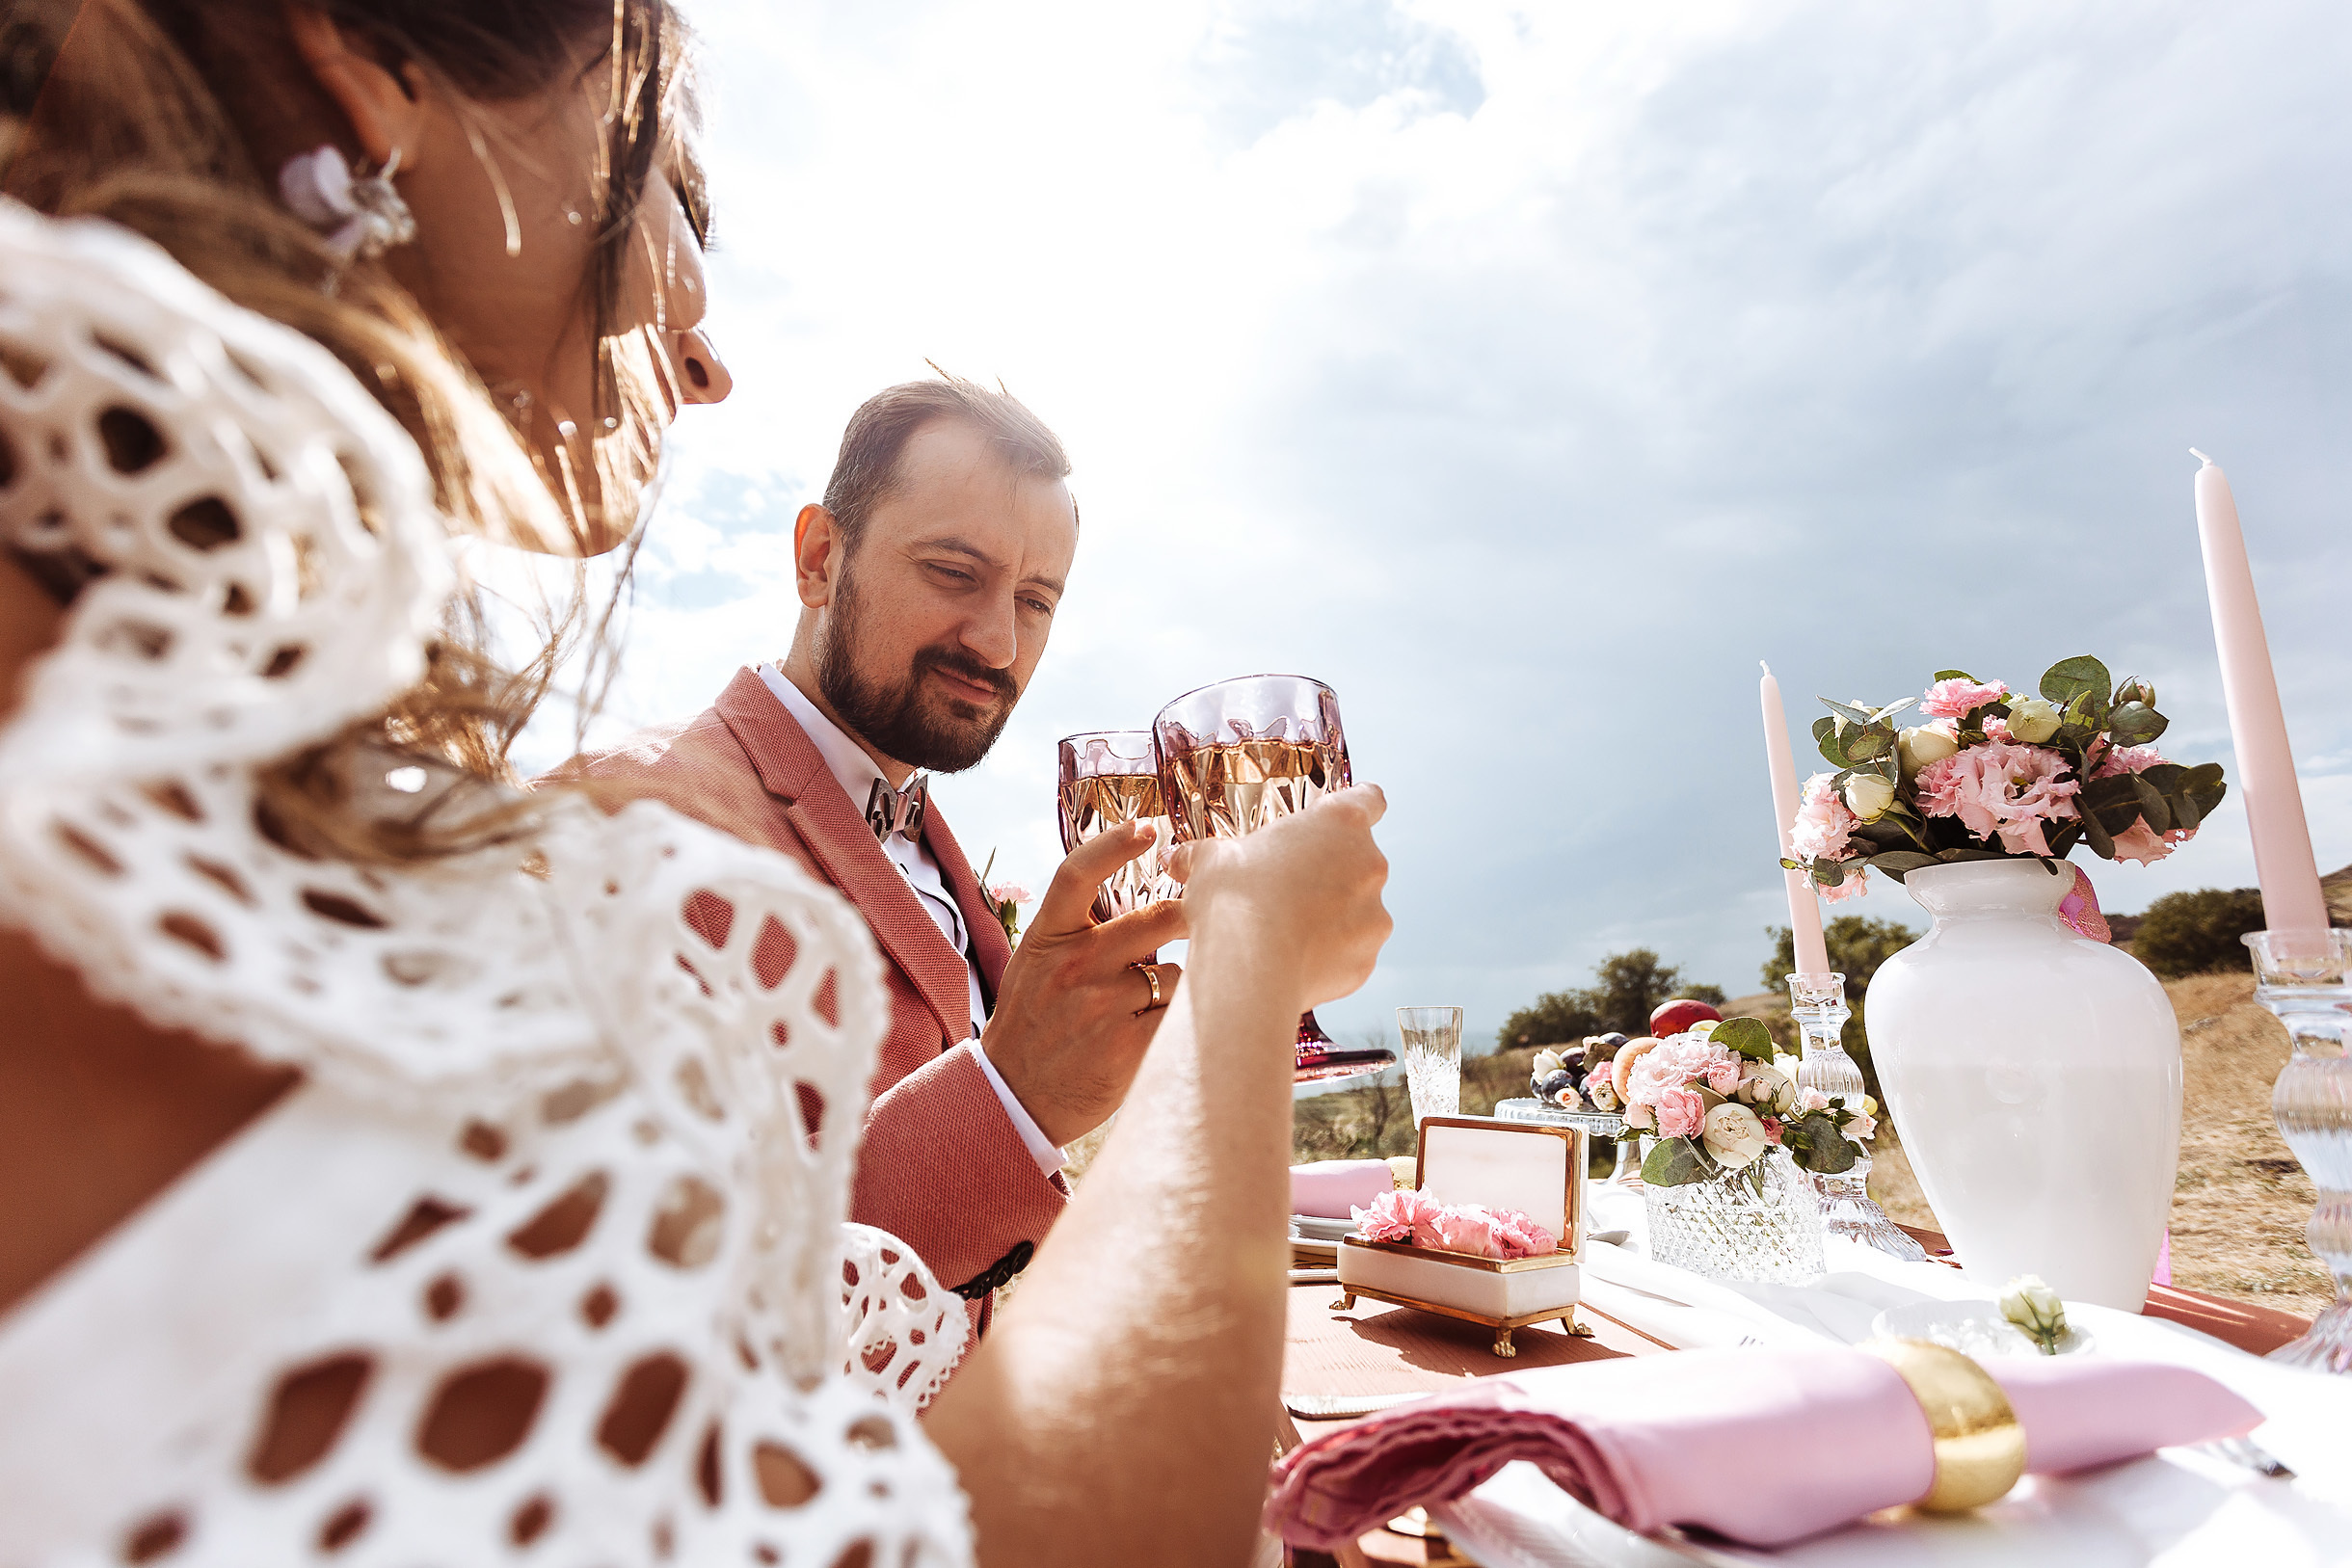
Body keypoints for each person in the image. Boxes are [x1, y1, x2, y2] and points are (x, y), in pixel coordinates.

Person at [0, 7, 1392, 1568]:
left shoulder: (237, 694)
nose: (707, 347)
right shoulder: (620, 821)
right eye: (671, 196)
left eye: (1039, 602)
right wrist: (1242, 964)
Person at [554, 377, 1176, 1318]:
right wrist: (1012, 1097)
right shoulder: (618, 816)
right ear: (817, 559)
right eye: (954, 572)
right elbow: (638, 1300)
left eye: (1036, 600)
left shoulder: (936, 838)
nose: (998, 639)